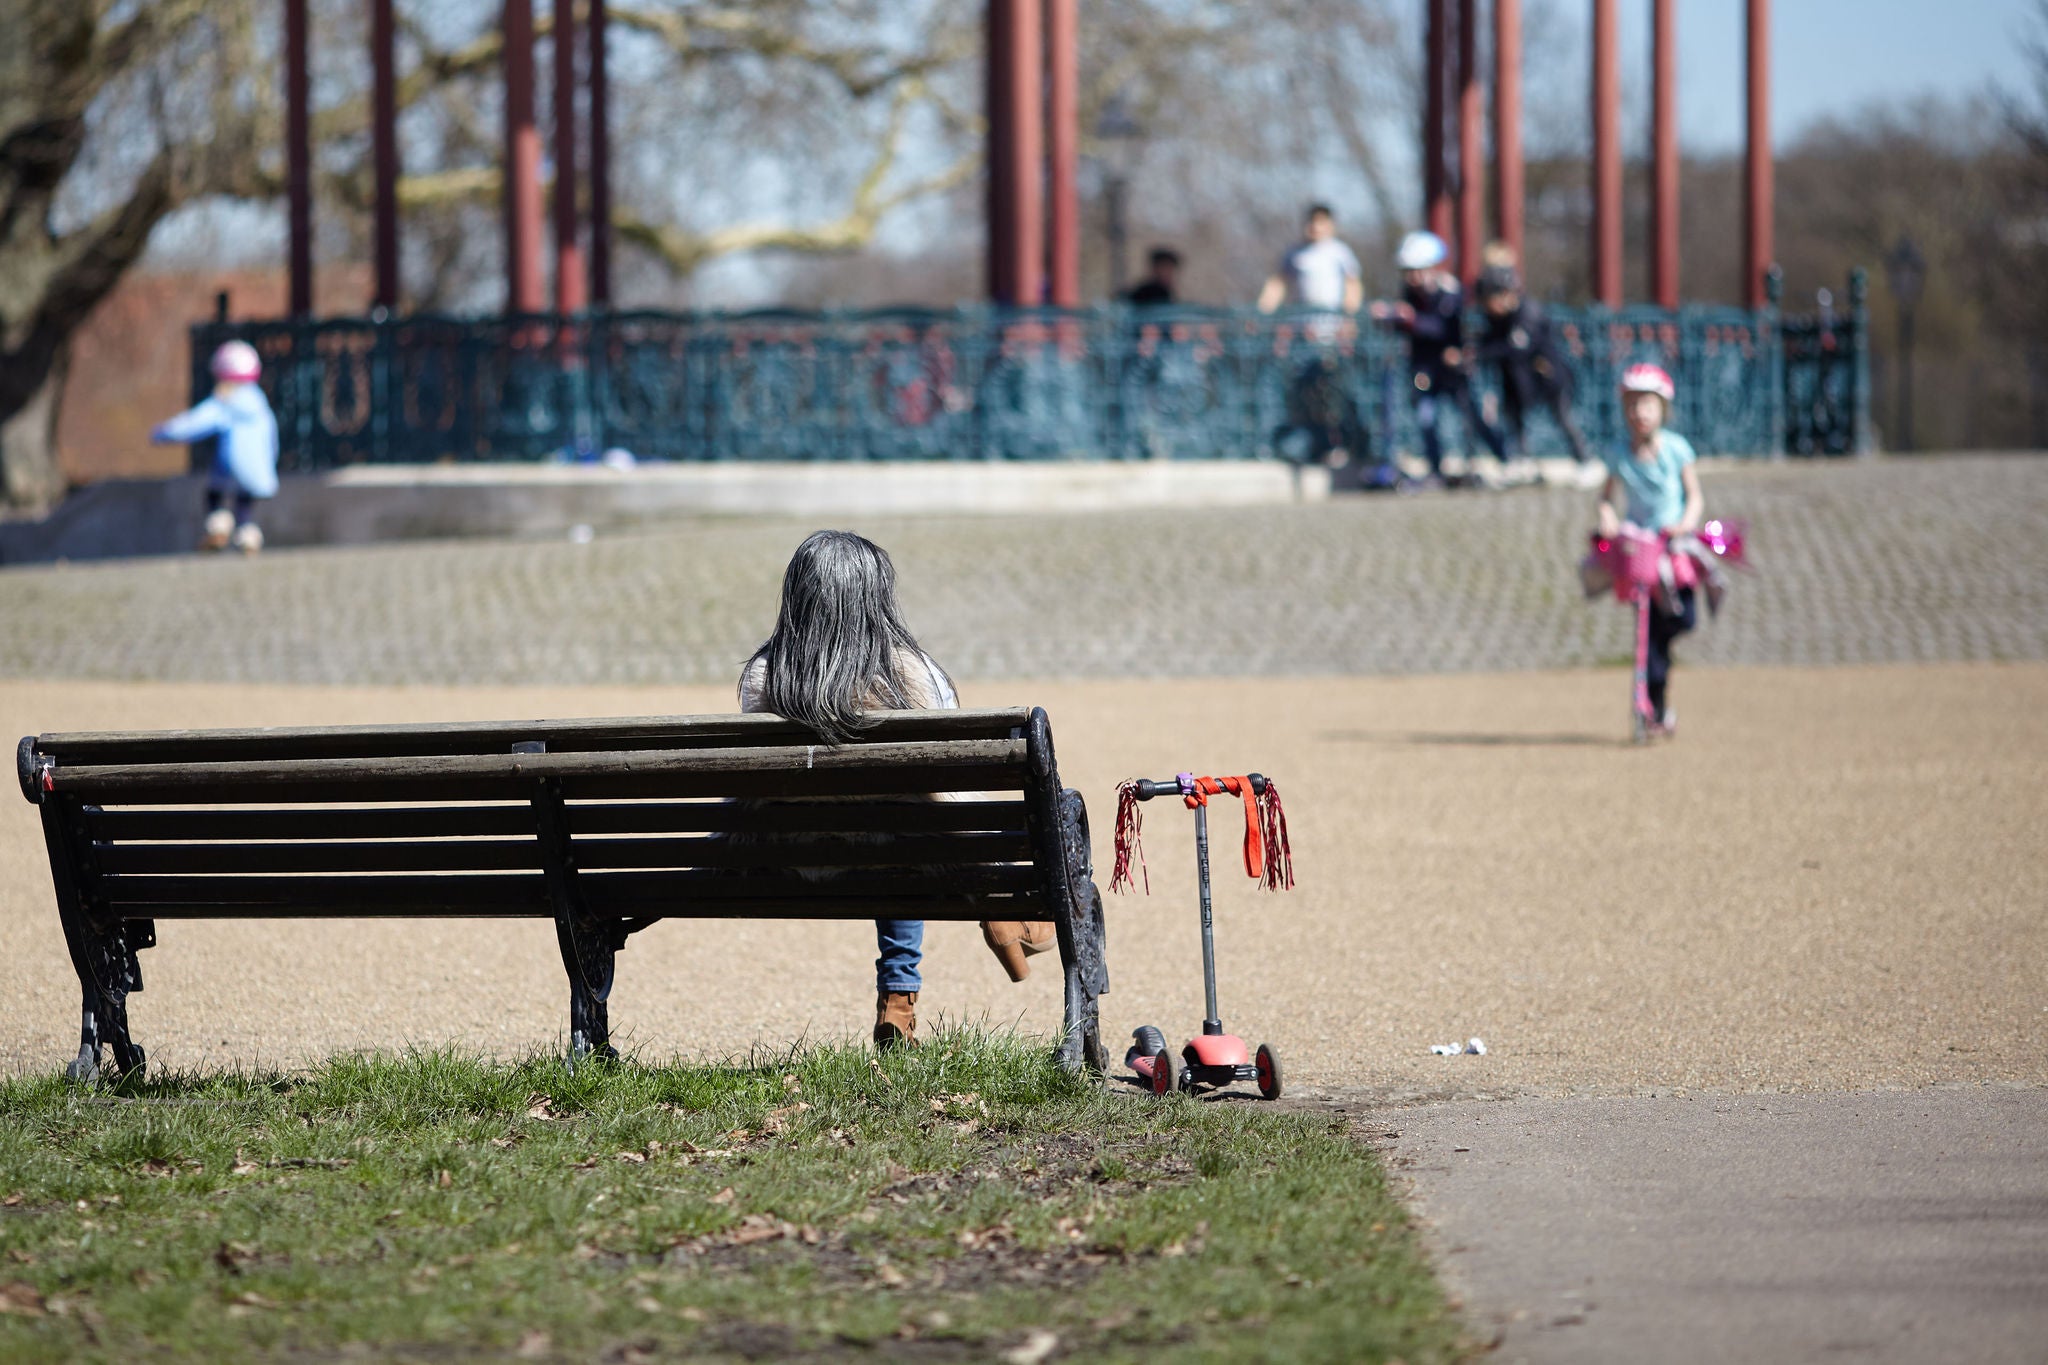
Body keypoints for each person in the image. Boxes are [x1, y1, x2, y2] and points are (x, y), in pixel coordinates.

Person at [738, 530, 1054, 1049]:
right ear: (876, 597)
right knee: (910, 824)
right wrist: (987, 878)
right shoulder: (906, 673)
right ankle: (990, 922)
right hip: (907, 864)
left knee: (886, 821)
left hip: (796, 863)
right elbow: (953, 790)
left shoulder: (764, 675)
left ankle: (906, 995)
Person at [1597, 363, 1705, 736]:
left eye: (1648, 405)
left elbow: (1694, 497)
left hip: (1674, 547)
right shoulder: (1618, 454)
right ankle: (1653, 710)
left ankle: (1661, 660)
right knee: (1648, 638)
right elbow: (1606, 499)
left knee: (1683, 619)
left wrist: (1685, 523)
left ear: (1662, 409)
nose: (1640, 413)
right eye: (1633, 405)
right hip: (1640, 551)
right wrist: (1608, 518)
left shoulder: (1676, 450)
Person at [1371, 230, 1506, 486]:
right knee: (1426, 418)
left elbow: (1442, 328)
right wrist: (1388, 316)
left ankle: (1504, 458)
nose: (1411, 277)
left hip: (1453, 369)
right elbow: (1408, 324)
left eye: (1416, 270)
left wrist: (1410, 319)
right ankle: (1436, 468)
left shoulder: (1450, 293)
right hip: (1424, 369)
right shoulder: (1410, 294)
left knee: (1473, 417)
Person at [1258, 205, 1370, 472]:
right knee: (1302, 394)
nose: (1315, 228)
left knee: (1333, 394)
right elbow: (1278, 284)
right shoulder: (1295, 254)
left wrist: (1348, 319)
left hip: (1331, 336)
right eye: (1311, 223)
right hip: (1302, 337)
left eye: (1320, 223)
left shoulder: (1339, 253)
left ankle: (1341, 445)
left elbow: (1353, 286)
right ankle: (1308, 446)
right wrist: (1262, 312)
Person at [1473, 250, 1599, 486]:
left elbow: (1516, 347)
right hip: (1516, 379)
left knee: (1563, 419)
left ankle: (1586, 460)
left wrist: (1481, 351)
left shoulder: (1528, 312)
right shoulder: (1496, 318)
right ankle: (1521, 462)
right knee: (1514, 419)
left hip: (1547, 375)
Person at [151, 340, 280, 553]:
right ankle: (248, 534)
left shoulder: (226, 402)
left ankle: (219, 524)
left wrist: (164, 433)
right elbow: (272, 439)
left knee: (214, 491)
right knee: (244, 500)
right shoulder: (261, 404)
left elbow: (195, 423)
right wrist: (270, 465)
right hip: (260, 470)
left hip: (229, 467)